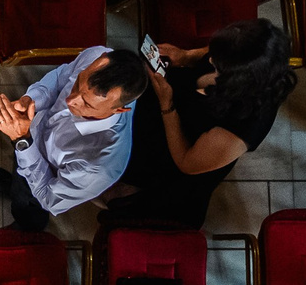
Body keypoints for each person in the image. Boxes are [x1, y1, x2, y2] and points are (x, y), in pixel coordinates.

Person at [111, 17, 294, 227]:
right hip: (171, 101)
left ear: (238, 76)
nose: (209, 60)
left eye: (217, 62)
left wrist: (167, 104)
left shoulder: (246, 123)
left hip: (178, 146)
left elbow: (186, 162)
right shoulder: (244, 50)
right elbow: (211, 52)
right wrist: (186, 56)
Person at [0, 44, 146, 232]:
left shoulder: (100, 165)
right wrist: (30, 100)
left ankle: (26, 224)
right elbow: (60, 77)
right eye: (78, 83)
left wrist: (22, 141)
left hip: (45, 177)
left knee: (28, 205)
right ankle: (14, 184)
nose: (71, 101)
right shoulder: (96, 56)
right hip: (32, 135)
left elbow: (47, 197)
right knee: (19, 176)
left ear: (119, 110)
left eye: (86, 104)